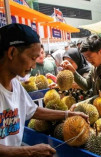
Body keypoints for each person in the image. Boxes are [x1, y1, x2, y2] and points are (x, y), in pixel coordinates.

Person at [0, 23, 88, 156]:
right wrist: (29, 151)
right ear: (12, 53)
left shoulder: (16, 85)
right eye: (32, 58)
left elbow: (34, 110)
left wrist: (68, 114)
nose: (34, 65)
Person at [61, 35, 101, 111]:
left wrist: (80, 104)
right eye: (85, 57)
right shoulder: (95, 66)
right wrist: (73, 71)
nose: (88, 60)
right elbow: (86, 85)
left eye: (90, 57)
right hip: (98, 110)